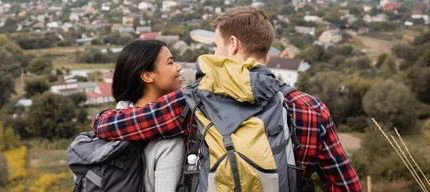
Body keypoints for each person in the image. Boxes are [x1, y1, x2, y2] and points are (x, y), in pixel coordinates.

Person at [92, 6, 362, 192]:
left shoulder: (192, 101)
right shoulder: (310, 109)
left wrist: (101, 118)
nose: (215, 51)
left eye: (216, 45)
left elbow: (124, 125)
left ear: (232, 44)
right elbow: (345, 185)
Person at [111, 40, 187, 192]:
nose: (179, 67)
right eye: (170, 62)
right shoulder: (170, 141)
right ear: (147, 76)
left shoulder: (113, 124)